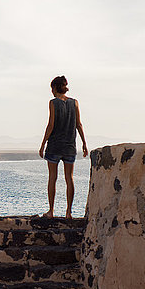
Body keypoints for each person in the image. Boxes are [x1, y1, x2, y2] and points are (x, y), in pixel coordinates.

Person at [39, 75, 88, 219]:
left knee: (52, 178)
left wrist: (42, 144)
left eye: (52, 89)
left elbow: (51, 125)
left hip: (54, 146)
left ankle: (51, 211)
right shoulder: (75, 103)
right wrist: (84, 144)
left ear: (55, 88)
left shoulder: (53, 103)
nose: (51, 92)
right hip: (70, 146)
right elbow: (79, 124)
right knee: (69, 178)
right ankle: (68, 212)